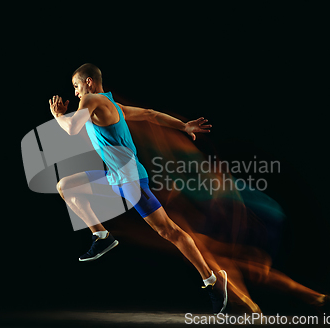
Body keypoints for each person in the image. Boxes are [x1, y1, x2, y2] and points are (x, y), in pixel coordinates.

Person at [49, 63, 227, 314]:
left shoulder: (91, 100)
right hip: (115, 178)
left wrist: (57, 115)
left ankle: (212, 280)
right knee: (65, 186)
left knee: (169, 231)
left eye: (76, 87)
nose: (76, 93)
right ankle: (101, 236)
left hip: (130, 180)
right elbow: (149, 114)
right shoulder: (111, 105)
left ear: (89, 82)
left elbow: (71, 128)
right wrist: (183, 126)